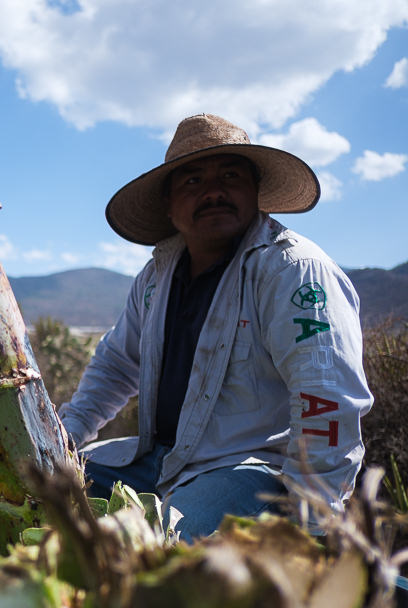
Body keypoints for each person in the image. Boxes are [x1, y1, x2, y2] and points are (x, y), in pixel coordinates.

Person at [57, 113, 372, 541]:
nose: (214, 192)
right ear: (169, 205)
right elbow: (116, 365)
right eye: (192, 181)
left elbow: (327, 401)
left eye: (230, 175)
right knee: (50, 492)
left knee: (161, 551)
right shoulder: (156, 279)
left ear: (255, 191)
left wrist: (310, 525)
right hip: (161, 461)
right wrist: (64, 439)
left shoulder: (293, 272)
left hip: (251, 470)